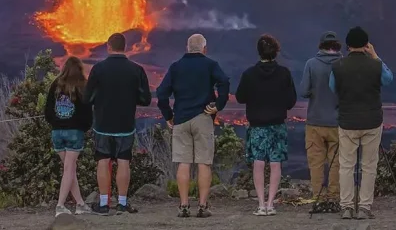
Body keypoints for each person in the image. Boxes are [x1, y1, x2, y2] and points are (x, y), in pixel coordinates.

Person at [156, 33, 230, 218]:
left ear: (187, 48)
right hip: (203, 117)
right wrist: (218, 105)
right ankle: (203, 206)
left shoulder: (176, 67)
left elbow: (161, 93)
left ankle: (183, 206)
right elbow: (224, 81)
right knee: (204, 163)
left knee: (184, 163)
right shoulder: (210, 65)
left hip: (181, 119)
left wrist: (168, 116)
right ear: (205, 49)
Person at [84, 33, 152, 215]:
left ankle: (104, 204)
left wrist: (99, 101)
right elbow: (146, 99)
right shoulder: (136, 70)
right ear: (125, 47)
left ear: (109, 46)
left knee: (103, 160)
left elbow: (87, 98)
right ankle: (122, 203)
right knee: (123, 161)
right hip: (125, 123)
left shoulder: (98, 69)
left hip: (103, 124)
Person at [329, 26, 393, 220]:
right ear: (366, 44)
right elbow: (388, 79)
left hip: (347, 121)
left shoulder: (338, 66)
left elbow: (333, 87)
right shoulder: (375, 65)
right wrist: (375, 56)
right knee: (369, 165)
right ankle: (364, 207)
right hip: (372, 121)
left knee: (346, 166)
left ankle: (347, 207)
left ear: (347, 45)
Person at [235, 34, 297, 217]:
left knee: (259, 163)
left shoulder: (249, 74)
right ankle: (271, 204)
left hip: (257, 126)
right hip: (277, 125)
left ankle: (261, 204)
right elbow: (291, 101)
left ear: (259, 52)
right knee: (276, 164)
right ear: (276, 52)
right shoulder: (284, 73)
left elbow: (240, 97)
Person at [44, 56, 94, 217]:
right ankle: (60, 206)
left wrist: (55, 123)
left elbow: (48, 110)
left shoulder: (56, 85)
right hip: (74, 132)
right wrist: (84, 128)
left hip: (57, 132)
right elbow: (87, 113)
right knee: (69, 169)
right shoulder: (82, 86)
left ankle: (80, 204)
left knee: (69, 169)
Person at [299, 31, 342, 203]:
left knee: (316, 162)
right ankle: (334, 196)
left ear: (321, 46)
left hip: (315, 121)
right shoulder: (343, 64)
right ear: (337, 46)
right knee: (336, 162)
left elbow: (304, 91)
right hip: (338, 122)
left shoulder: (311, 64)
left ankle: (318, 197)